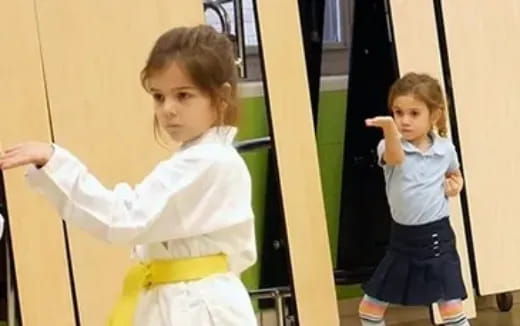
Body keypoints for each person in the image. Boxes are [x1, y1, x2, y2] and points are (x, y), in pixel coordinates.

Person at [0, 25, 257, 326]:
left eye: (183, 95)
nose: (168, 109)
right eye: (159, 97)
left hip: (197, 309)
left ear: (222, 96)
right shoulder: (202, 159)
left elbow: (124, 218)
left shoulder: (210, 161)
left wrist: (55, 162)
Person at [359, 72, 468, 326]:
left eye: (414, 113)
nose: (404, 121)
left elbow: (455, 173)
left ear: (435, 115)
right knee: (370, 309)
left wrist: (455, 185)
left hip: (437, 238)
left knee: (451, 308)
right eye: (398, 113)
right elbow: (396, 158)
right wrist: (388, 128)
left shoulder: (445, 149)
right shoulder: (388, 145)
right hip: (402, 242)